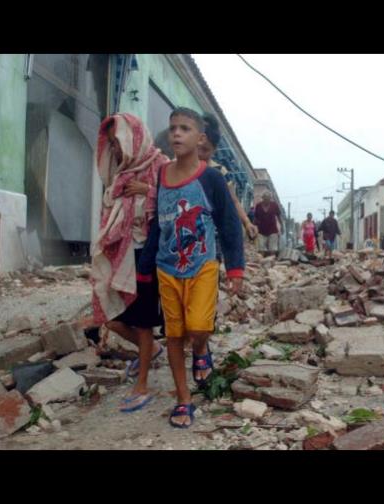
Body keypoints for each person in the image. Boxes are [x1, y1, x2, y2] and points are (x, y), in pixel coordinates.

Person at [138, 107, 245, 428]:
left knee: (198, 327)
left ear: (199, 138)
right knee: (173, 334)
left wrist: (236, 269)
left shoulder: (210, 177)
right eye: (172, 128)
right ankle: (183, 400)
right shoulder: (162, 175)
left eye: (184, 128)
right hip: (167, 268)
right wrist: (145, 267)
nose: (176, 134)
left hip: (202, 265)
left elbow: (229, 224)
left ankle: (201, 349)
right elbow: (159, 222)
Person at [89, 113, 165, 413]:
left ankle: (143, 383)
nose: (117, 149)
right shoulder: (120, 172)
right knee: (111, 316)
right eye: (112, 144)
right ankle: (153, 351)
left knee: (143, 323)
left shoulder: (160, 166)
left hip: (146, 256)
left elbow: (178, 202)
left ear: (134, 137)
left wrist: (148, 192)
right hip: (119, 254)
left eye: (119, 141)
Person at [197, 114, 258, 242]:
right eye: (198, 148)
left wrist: (247, 223)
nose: (200, 154)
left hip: (211, 234)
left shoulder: (219, 172)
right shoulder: (178, 168)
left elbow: (234, 201)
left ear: (214, 150)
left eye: (205, 150)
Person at [253, 192, 282, 257]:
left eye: (268, 199)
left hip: (273, 230)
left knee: (272, 249)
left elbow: (279, 216)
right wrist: (254, 227)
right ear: (262, 198)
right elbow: (255, 218)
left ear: (270, 199)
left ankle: (272, 264)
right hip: (261, 230)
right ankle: (262, 263)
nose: (267, 201)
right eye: (265, 199)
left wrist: (281, 226)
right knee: (261, 250)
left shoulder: (274, 205)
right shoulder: (258, 206)